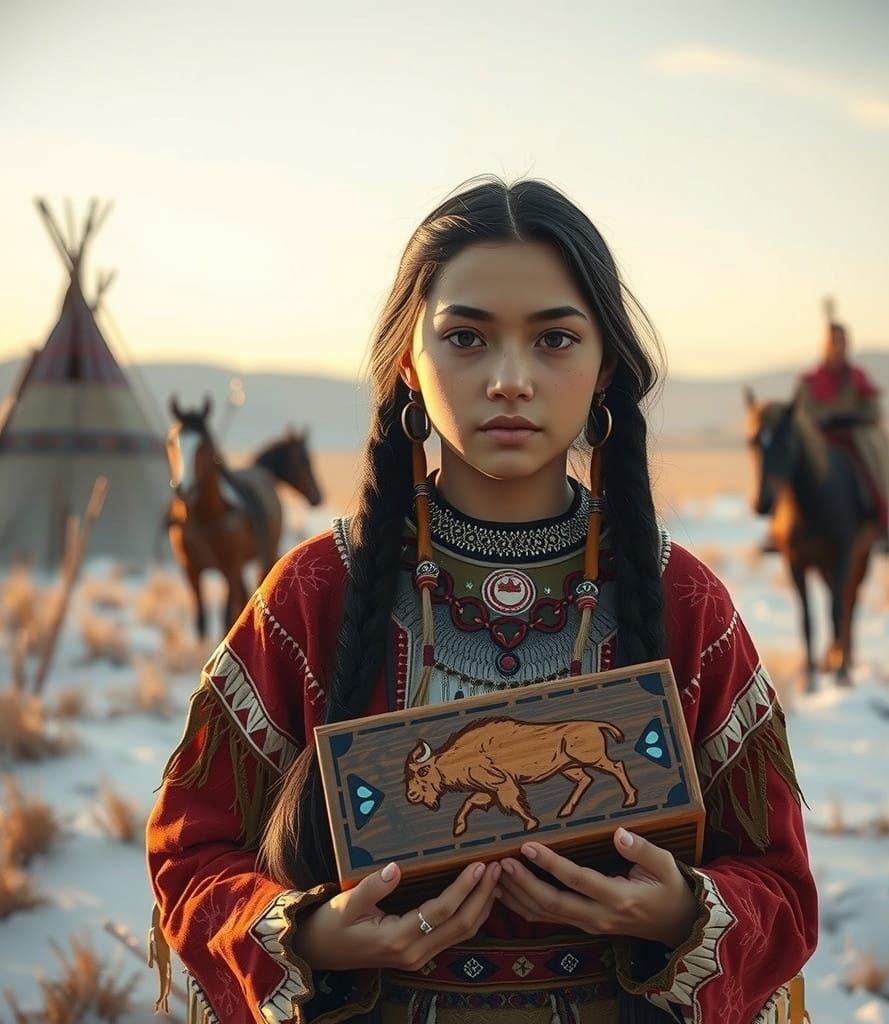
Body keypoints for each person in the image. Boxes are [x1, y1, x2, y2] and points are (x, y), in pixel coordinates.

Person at [146, 178, 817, 1024]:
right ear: (408, 364)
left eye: (554, 339)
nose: (509, 379)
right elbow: (190, 855)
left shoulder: (688, 602)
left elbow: (783, 884)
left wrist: (683, 914)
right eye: (466, 337)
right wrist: (310, 937)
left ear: (604, 364)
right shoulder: (313, 594)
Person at [794, 300, 889, 554]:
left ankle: (882, 521)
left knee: (879, 450)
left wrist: (849, 418)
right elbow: (801, 414)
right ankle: (780, 526)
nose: (838, 347)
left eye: (842, 342)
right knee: (788, 458)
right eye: (833, 342)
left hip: (853, 439)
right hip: (817, 439)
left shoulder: (857, 378)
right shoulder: (809, 382)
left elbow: (873, 411)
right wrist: (820, 420)